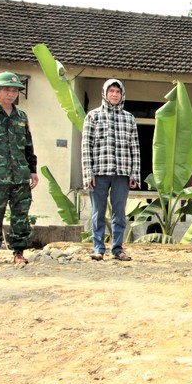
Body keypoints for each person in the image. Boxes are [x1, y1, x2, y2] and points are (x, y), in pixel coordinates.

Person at [82, 79, 140, 262]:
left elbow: (134, 148)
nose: (114, 94)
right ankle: (98, 248)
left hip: (122, 173)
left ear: (122, 95)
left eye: (118, 91)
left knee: (119, 213)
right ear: (105, 94)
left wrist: (134, 174)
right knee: (98, 212)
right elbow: (86, 146)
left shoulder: (129, 118)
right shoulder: (93, 116)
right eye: (111, 91)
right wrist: (87, 173)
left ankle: (117, 248)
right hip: (99, 172)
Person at [0, 72, 39, 265]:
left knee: (20, 216)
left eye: (14, 90)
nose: (11, 94)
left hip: (20, 175)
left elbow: (28, 145)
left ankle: (19, 252)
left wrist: (33, 170)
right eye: (7, 90)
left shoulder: (21, 117)